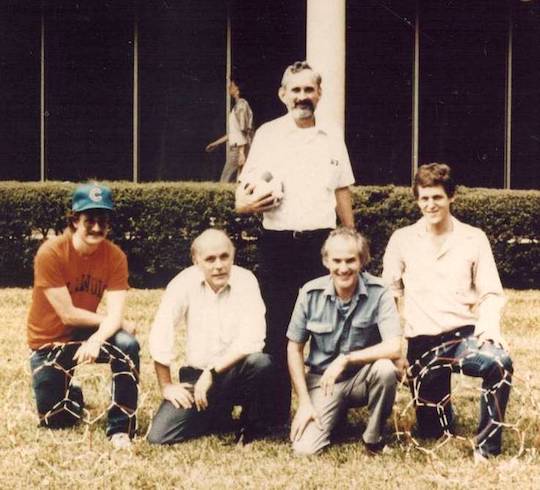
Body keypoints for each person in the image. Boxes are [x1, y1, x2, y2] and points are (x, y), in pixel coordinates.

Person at [235, 61, 355, 426]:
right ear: (283, 94)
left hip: (320, 245)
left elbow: (341, 189)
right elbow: (243, 193)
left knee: (326, 329)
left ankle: (326, 410)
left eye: (309, 89)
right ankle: (271, 416)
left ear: (319, 93)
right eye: (295, 90)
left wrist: (350, 235)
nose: (302, 97)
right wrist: (248, 203)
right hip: (278, 243)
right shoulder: (269, 135)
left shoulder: (332, 135)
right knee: (278, 329)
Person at [382, 163, 513, 461]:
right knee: (433, 430)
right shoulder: (402, 239)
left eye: (437, 197)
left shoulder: (473, 237)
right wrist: (394, 351)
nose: (431, 205)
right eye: (424, 198)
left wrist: (490, 329)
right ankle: (439, 409)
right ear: (417, 200)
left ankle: (487, 449)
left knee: (500, 363)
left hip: (462, 340)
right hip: (422, 344)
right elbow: (389, 297)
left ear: (451, 196)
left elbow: (491, 292)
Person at [27, 183, 140, 449]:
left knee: (127, 345)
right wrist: (118, 322)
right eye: (90, 220)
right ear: (74, 220)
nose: (98, 228)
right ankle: (72, 391)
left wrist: (99, 338)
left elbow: (114, 313)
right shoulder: (51, 253)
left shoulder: (115, 257)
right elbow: (67, 315)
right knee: (56, 420)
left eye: (103, 221)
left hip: (87, 332)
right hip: (49, 339)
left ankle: (120, 428)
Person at [147, 229, 272, 445]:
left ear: (233, 255)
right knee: (160, 436)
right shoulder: (182, 283)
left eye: (224, 257)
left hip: (236, 373)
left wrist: (212, 372)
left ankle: (250, 425)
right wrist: (166, 385)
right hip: (196, 378)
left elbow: (254, 339)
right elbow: (161, 331)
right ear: (196, 261)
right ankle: (214, 414)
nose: (219, 265)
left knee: (261, 363)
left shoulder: (246, 281)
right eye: (210, 259)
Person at [287, 228, 401, 455]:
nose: (343, 268)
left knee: (385, 369)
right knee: (305, 450)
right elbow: (294, 348)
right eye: (336, 261)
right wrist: (304, 403)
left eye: (351, 260)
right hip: (323, 381)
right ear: (325, 261)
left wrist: (347, 359)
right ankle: (333, 415)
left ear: (362, 260)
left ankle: (373, 437)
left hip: (362, 377)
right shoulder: (310, 293)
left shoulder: (380, 291)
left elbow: (395, 346)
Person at [206, 80, 254, 183]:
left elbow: (243, 130)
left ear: (237, 90)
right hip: (238, 148)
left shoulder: (241, 106)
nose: (229, 88)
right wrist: (215, 144)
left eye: (232, 86)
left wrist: (241, 153)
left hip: (238, 149)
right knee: (235, 181)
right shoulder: (238, 106)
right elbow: (234, 133)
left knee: (225, 180)